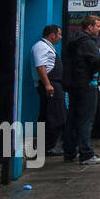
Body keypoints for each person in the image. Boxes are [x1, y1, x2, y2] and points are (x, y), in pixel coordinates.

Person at [63, 16, 100, 164]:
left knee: (73, 118)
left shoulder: (74, 41)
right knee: (86, 120)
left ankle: (69, 151)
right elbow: (97, 60)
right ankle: (86, 153)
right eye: (98, 26)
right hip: (87, 85)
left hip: (75, 85)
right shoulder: (88, 43)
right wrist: (99, 65)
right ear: (90, 27)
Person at [31, 25, 65, 157]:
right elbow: (40, 67)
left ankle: (47, 145)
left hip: (54, 83)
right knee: (54, 116)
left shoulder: (48, 47)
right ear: (52, 35)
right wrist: (47, 84)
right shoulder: (41, 47)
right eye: (59, 34)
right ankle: (48, 146)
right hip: (51, 84)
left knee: (50, 114)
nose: (60, 37)